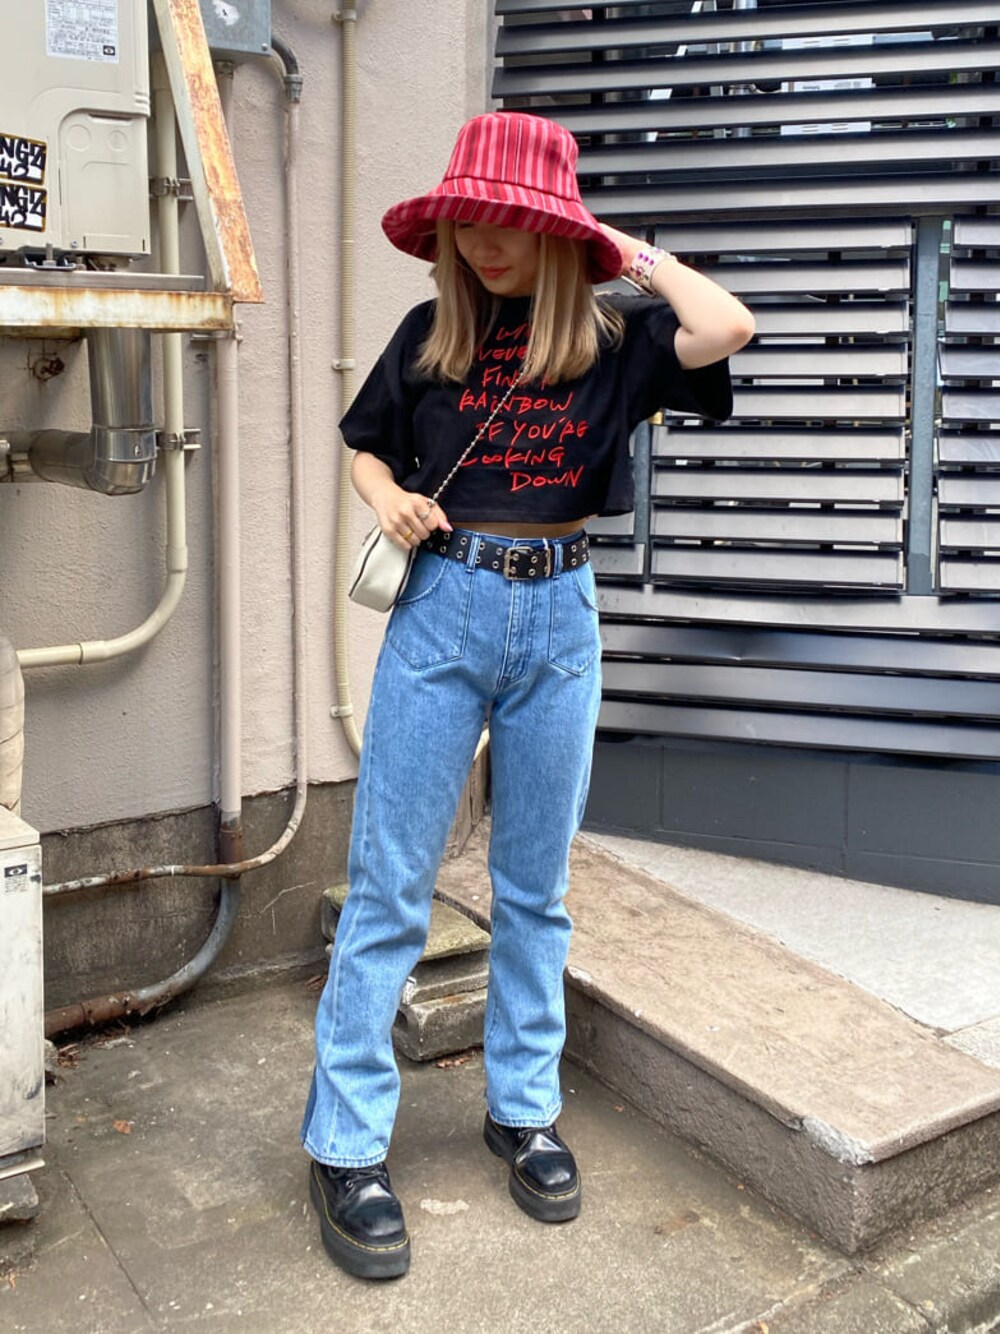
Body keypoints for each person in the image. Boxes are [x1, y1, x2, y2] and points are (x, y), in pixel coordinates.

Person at [302, 110, 755, 1280]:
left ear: (558, 232)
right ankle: (345, 1143)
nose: (486, 242)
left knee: (534, 885)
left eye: (512, 220)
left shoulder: (616, 342)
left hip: (559, 614)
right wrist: (383, 496)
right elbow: (365, 442)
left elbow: (727, 324)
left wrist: (617, 248)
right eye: (470, 220)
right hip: (442, 605)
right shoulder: (430, 335)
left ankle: (523, 1108)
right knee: (392, 883)